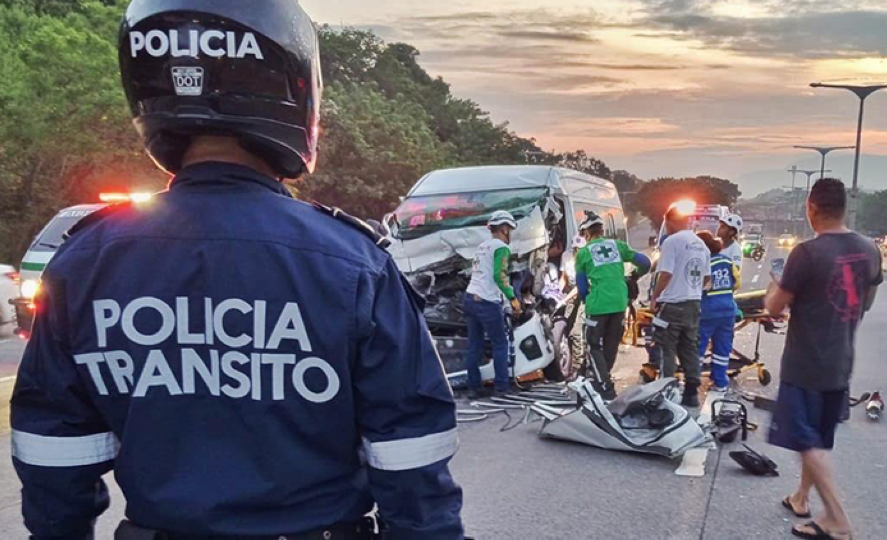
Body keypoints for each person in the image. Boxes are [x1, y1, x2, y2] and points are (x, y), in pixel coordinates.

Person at [9, 2, 464, 539]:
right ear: (295, 93)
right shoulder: (353, 263)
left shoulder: (84, 261)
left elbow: (54, 455)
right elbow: (410, 459)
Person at [765, 178, 882, 540]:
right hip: (841, 359)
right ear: (845, 207)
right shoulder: (869, 249)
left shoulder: (807, 253)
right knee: (817, 435)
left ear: (810, 208)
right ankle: (801, 498)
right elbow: (867, 301)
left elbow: (773, 307)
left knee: (806, 441)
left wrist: (775, 284)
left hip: (806, 362)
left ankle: (838, 519)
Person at [575, 211, 651, 399]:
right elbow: (646, 263)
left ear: (586, 233)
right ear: (602, 230)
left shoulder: (583, 253)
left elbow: (582, 287)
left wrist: (587, 300)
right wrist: (634, 276)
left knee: (593, 346)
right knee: (610, 345)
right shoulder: (618, 246)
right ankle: (603, 377)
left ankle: (605, 386)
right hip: (619, 303)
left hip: (598, 305)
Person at [651, 203, 711, 407]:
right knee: (689, 347)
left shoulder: (671, 242)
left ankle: (667, 391)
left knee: (667, 348)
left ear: (670, 221)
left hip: (672, 304)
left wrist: (655, 297)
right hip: (694, 304)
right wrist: (691, 289)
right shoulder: (701, 244)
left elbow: (665, 274)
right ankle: (691, 392)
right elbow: (707, 278)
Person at [465, 211, 521, 398]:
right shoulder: (501, 247)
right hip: (486, 302)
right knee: (500, 344)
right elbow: (500, 276)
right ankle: (502, 388)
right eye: (510, 229)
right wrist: (513, 299)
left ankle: (474, 388)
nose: (510, 233)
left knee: (474, 345)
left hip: (470, 297)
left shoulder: (482, 246)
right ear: (504, 228)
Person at [696, 231, 741, 392]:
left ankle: (692, 384)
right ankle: (720, 382)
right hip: (728, 311)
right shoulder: (727, 261)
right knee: (722, 348)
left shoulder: (703, 264)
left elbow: (698, 286)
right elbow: (737, 283)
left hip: (708, 312)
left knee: (698, 348)